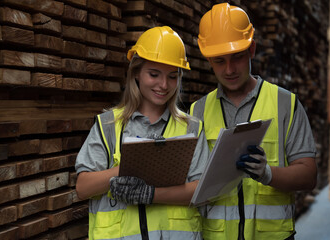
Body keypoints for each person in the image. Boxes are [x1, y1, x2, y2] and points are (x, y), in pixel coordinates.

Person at [190, 3, 317, 240]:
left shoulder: (285, 104)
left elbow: (308, 175)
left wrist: (268, 174)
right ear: (208, 60)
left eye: (236, 57)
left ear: (252, 50)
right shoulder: (197, 111)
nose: (229, 69)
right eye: (219, 61)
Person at [75, 26, 209, 240]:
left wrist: (151, 194)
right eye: (154, 74)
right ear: (136, 72)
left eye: (172, 76)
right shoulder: (108, 125)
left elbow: (202, 191)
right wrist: (125, 169)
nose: (164, 85)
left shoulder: (191, 128)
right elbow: (83, 187)